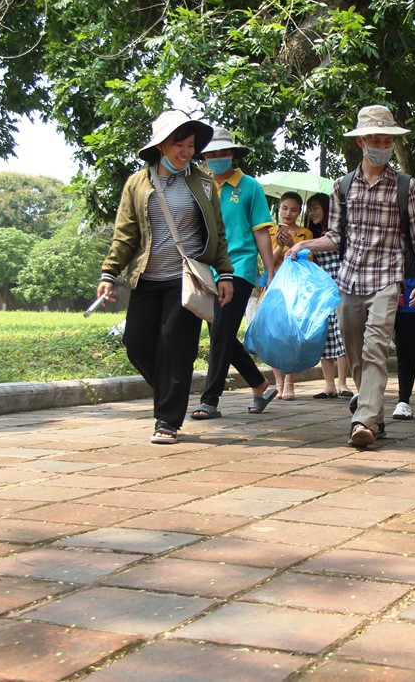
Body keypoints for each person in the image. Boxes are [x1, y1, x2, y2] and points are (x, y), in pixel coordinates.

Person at [286, 104, 415, 448]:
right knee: (356, 354)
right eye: (374, 138)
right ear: (361, 142)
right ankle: (374, 412)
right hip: (349, 280)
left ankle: (364, 420)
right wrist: (305, 244)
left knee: (375, 349)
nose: (381, 144)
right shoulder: (342, 187)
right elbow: (337, 237)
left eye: (386, 139)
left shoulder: (407, 187)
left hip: (388, 278)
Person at [97, 110, 233, 445]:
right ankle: (173, 391)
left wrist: (226, 272)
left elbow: (218, 231)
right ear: (160, 145)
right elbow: (125, 235)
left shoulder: (202, 182)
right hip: (146, 277)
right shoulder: (137, 183)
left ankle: (167, 421)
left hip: (185, 277)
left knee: (176, 342)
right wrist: (109, 273)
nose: (186, 152)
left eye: (190, 145)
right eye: (179, 144)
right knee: (136, 344)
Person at [189, 127, 278, 420]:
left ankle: (209, 400)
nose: (216, 158)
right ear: (203, 156)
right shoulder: (199, 185)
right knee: (220, 331)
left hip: (240, 267)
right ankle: (259, 383)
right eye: (211, 153)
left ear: (232, 154)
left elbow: (262, 232)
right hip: (207, 271)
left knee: (221, 332)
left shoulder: (249, 187)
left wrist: (271, 272)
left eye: (222, 152)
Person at [265, 191, 312, 400]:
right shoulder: (269, 232)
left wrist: (293, 245)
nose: (288, 213)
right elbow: (268, 262)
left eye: (293, 209)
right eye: (284, 208)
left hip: (295, 289)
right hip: (274, 288)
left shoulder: (306, 234)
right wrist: (280, 246)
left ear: (299, 211)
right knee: (273, 335)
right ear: (278, 209)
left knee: (292, 335)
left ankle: (290, 381)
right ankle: (278, 383)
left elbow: (307, 261)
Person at [306, 193, 353, 400]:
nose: (312, 212)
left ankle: (343, 383)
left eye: (316, 207)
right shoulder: (311, 235)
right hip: (322, 289)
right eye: (310, 209)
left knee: (342, 332)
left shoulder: (341, 231)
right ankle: (329, 385)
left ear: (326, 208)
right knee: (326, 335)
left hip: (343, 285)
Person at [392, 273, 415, 420]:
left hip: (411, 300)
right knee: (372, 349)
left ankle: (403, 400)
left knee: (407, 353)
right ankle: (367, 397)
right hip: (378, 295)